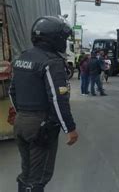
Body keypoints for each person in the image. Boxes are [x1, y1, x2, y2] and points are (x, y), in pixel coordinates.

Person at [9, 16, 78, 191]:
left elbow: (12, 91)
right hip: (40, 124)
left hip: (21, 122)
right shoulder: (52, 62)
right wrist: (69, 128)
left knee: (27, 172)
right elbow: (57, 98)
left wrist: (23, 114)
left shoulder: (21, 58)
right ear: (54, 38)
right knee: (39, 178)